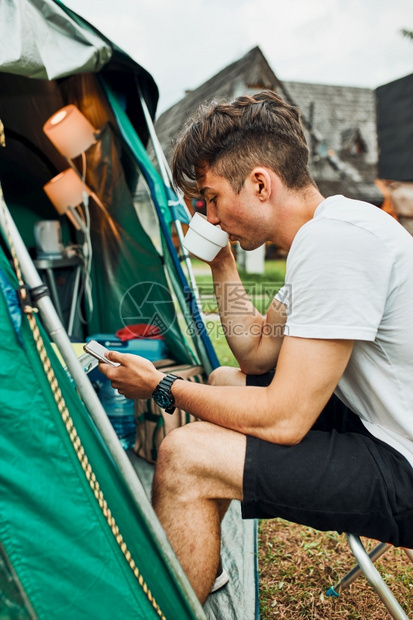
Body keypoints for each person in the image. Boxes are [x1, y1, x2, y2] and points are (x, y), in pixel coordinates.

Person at [99, 90, 413, 604]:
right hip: (379, 423)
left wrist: (163, 386)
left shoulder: (337, 243)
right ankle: (199, 555)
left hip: (404, 461)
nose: (211, 215)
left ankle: (168, 602)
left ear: (261, 184)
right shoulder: (325, 232)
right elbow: (257, 355)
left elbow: (285, 419)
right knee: (224, 380)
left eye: (213, 198)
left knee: (183, 455)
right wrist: (220, 261)